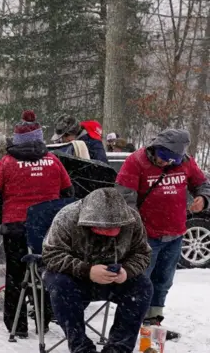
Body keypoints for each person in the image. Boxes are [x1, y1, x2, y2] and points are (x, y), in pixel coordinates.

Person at [0, 110, 74, 337]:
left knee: (15, 276)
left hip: (15, 227)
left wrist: (0, 218)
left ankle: (17, 325)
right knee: (46, 273)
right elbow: (68, 192)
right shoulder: (53, 162)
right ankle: (43, 320)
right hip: (48, 230)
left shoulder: (7, 163)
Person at [115, 128, 210, 339]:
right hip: (145, 237)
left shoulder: (186, 162)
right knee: (140, 282)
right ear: (156, 147)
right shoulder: (135, 161)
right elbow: (124, 200)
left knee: (163, 282)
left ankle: (153, 325)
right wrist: (135, 231)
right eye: (163, 158)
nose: (166, 163)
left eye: (172, 161)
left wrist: (203, 198)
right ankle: (130, 324)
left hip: (175, 234)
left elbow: (202, 183)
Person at [43, 188, 153, 353]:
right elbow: (51, 255)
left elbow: (142, 253)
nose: (109, 232)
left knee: (142, 286)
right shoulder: (67, 217)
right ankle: (81, 347)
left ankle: (118, 348)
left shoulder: (132, 219)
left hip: (114, 278)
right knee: (59, 284)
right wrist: (86, 270)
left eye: (115, 228)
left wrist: (127, 271)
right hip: (74, 278)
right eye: (103, 228)